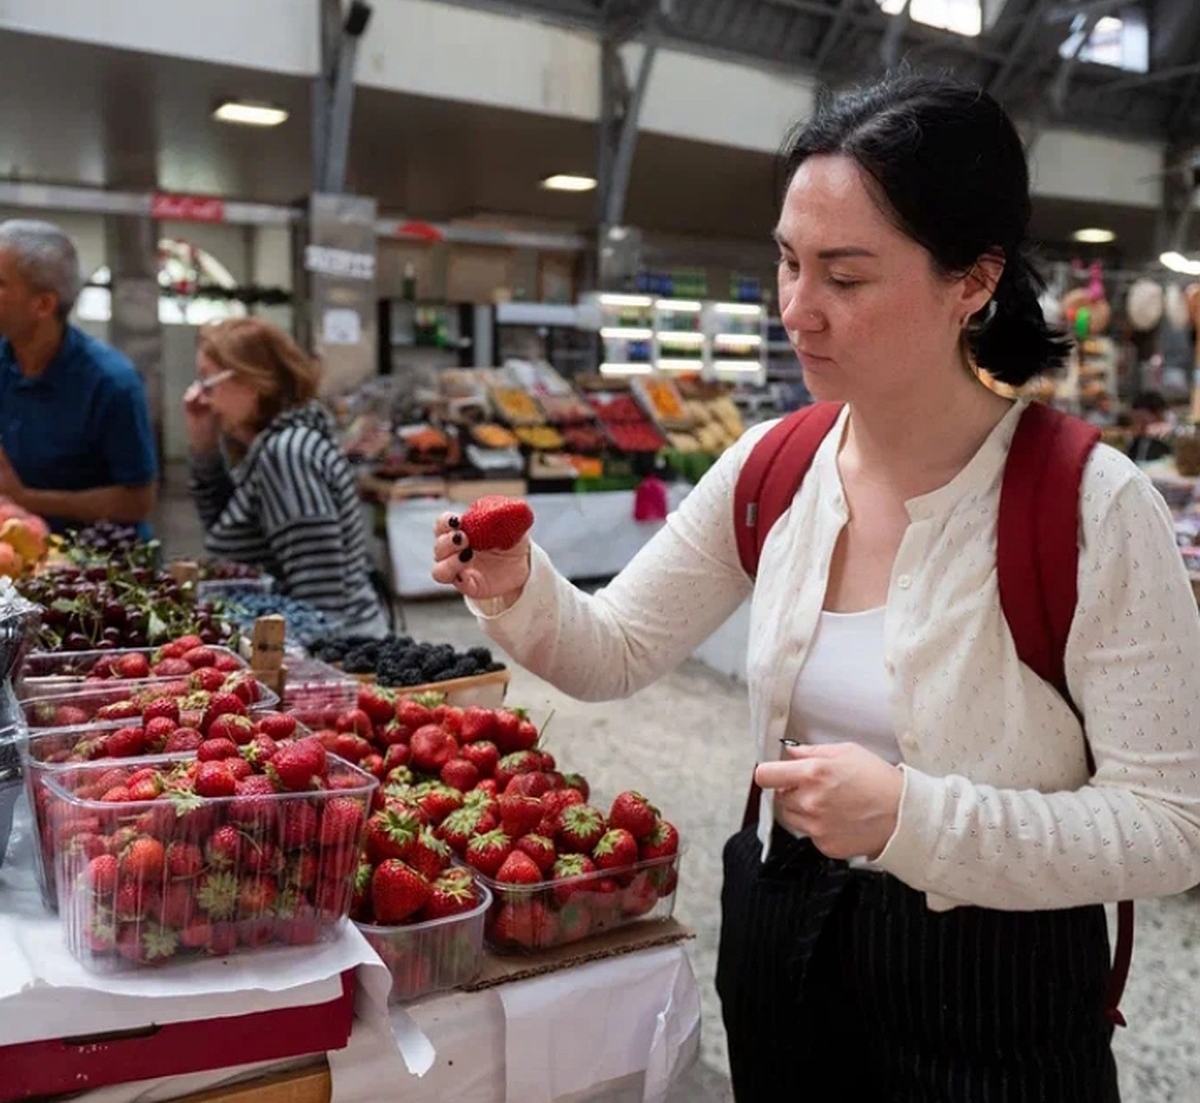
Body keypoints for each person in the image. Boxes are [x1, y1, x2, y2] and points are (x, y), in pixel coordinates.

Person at [431, 75, 1200, 1101]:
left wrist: (910, 819)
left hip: (997, 983)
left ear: (972, 280)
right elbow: (614, 651)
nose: (799, 309)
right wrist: (518, 584)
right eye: (789, 262)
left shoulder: (1091, 506)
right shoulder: (774, 466)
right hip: (782, 937)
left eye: (846, 275)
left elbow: (1171, 824)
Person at [185, 317, 387, 638]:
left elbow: (321, 606)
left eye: (209, 382)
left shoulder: (288, 455)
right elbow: (226, 528)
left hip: (343, 656)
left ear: (253, 381)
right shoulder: (273, 446)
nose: (198, 397)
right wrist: (204, 448)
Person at [0, 219, 157, 531]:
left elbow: (138, 500)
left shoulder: (111, 382)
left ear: (43, 304)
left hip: (95, 565)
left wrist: (27, 499)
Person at [1126, 389, 1173, 462]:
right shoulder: (1138, 441)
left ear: (1158, 415)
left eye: (1142, 420)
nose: (1137, 425)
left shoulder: (1168, 437)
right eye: (1135, 421)